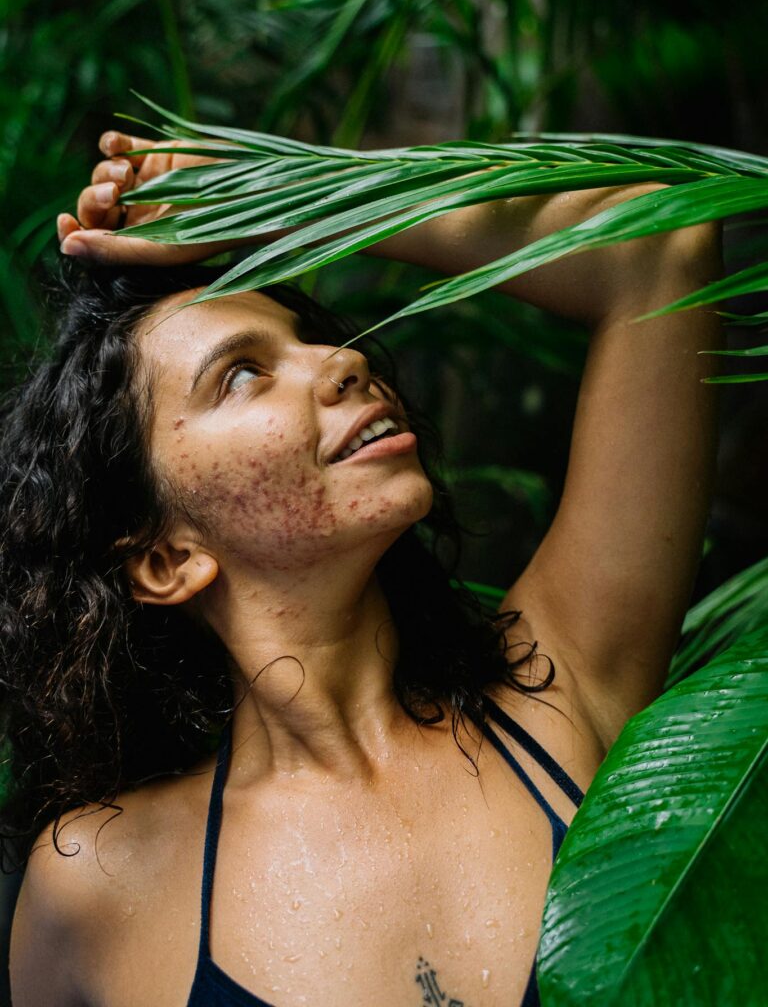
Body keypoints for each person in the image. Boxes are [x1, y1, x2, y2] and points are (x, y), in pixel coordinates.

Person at [5, 130, 720, 1007]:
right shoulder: (97, 887)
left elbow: (658, 238)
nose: (342, 359)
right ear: (166, 558)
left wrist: (274, 196)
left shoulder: (562, 692)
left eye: (309, 338)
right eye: (239, 377)